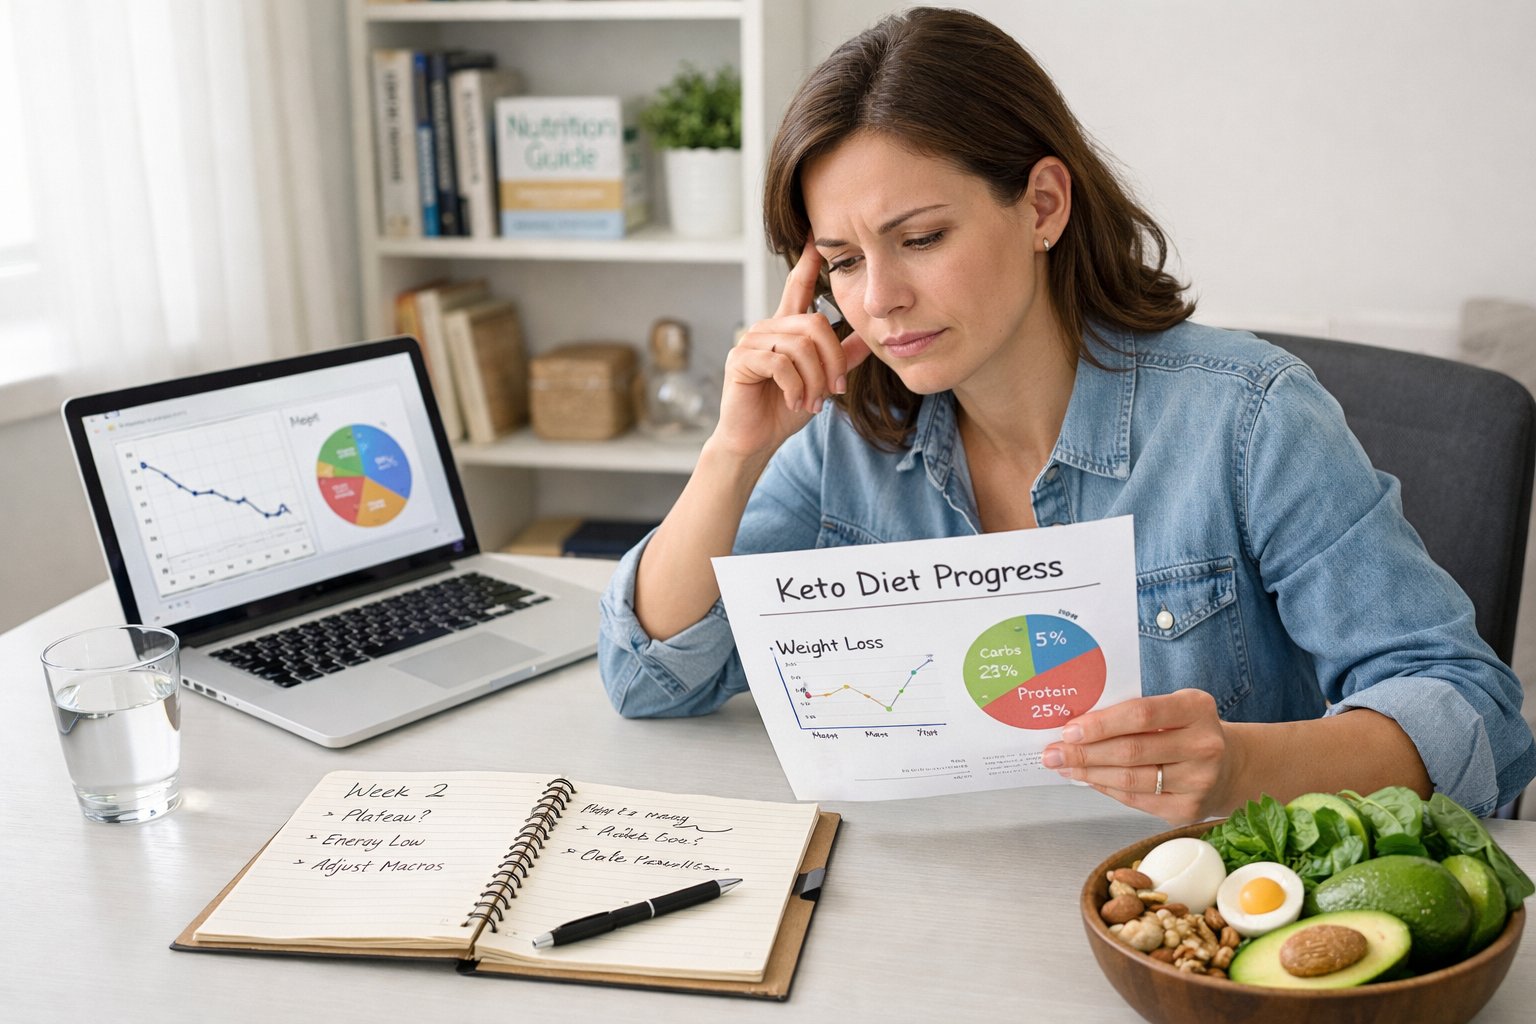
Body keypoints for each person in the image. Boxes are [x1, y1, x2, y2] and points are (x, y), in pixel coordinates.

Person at [596, 6, 1534, 823]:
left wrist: (1244, 768)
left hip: (1189, 922)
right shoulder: (849, 436)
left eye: (920, 238)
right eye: (841, 260)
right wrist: (733, 452)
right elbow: (649, 680)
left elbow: (1476, 714)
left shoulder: (1248, 420)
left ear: (1042, 204)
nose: (877, 299)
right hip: (954, 909)